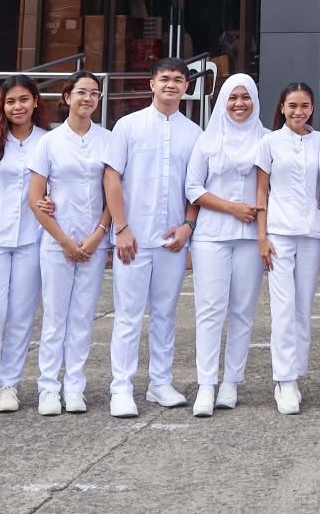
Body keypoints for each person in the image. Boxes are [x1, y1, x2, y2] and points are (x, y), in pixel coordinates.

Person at [102, 57, 198, 419]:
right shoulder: (127, 126)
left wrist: (188, 224)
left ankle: (160, 382)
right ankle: (121, 387)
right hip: (134, 238)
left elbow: (195, 187)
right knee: (128, 315)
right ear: (151, 84)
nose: (171, 85)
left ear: (187, 87)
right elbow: (112, 178)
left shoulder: (194, 133)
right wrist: (122, 228)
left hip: (172, 240)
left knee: (165, 314)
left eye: (178, 79)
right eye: (164, 79)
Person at [28, 71, 121, 415]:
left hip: (94, 242)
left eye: (94, 93)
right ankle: (49, 387)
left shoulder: (108, 140)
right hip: (57, 243)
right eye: (81, 92)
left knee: (83, 317)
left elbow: (113, 193)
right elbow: (35, 198)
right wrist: (65, 240)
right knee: (55, 317)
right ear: (66, 97)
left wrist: (99, 234)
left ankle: (75, 385)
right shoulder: (49, 142)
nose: (88, 99)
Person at [0, 75, 48, 415]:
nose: (18, 106)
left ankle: (9, 385)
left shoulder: (49, 141)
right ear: (2, 105)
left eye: (24, 100)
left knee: (21, 315)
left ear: (35, 102)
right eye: (11, 101)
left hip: (34, 240)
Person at [185, 72, 265, 415]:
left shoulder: (267, 138)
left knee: (243, 311)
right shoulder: (206, 140)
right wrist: (232, 207)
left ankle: (231, 382)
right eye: (232, 97)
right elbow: (192, 188)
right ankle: (206, 384)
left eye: (246, 97)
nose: (239, 104)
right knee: (209, 310)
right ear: (222, 101)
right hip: (211, 236)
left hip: (251, 239)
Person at [257, 82, 320, 415]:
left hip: (312, 233)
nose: (299, 112)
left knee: (303, 308)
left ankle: (296, 373)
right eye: (293, 106)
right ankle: (283, 379)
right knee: (282, 309)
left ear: (312, 108)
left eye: (305, 106)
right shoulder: (269, 143)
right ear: (282, 107)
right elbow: (261, 193)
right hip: (279, 234)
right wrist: (262, 236)